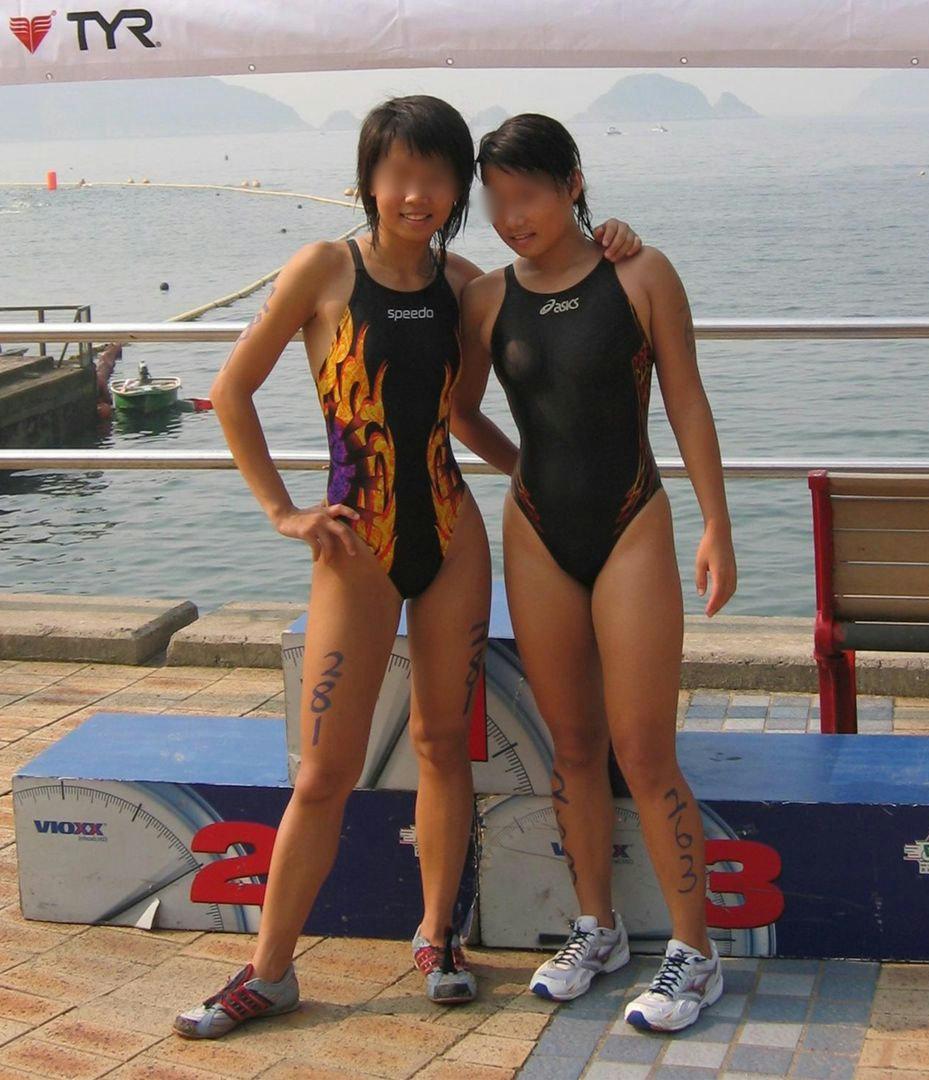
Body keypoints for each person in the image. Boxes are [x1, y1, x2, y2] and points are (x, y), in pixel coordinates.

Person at [173, 95, 639, 1040]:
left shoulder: (465, 284)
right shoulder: (323, 269)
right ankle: (270, 971)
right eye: (400, 174)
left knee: (441, 744)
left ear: (459, 189)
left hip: (452, 537)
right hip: (358, 546)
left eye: (438, 176)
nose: (418, 193)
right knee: (324, 771)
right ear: (371, 179)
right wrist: (284, 512)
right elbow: (231, 391)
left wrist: (613, 240)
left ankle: (437, 936)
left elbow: (491, 381)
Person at [453, 113, 738, 1034]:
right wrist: (521, 473)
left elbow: (686, 398)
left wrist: (717, 525)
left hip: (633, 521)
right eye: (496, 201)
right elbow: (460, 411)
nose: (512, 218)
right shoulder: (486, 299)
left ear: (573, 183)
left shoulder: (641, 274)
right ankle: (597, 928)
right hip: (536, 530)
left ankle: (695, 951)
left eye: (528, 196)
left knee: (644, 750)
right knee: (572, 747)